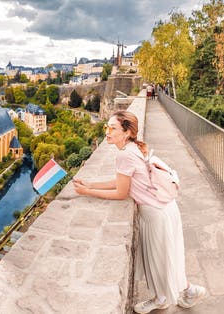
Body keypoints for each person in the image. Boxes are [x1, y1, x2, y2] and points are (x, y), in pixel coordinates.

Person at [72, 110, 206, 314]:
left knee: (160, 260)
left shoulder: (124, 155)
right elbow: (122, 182)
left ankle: (168, 297)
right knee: (168, 258)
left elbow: (121, 192)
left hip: (156, 214)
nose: (107, 131)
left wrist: (88, 191)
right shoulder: (134, 147)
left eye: (112, 128)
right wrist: (90, 183)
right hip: (165, 209)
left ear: (126, 132)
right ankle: (186, 292)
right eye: (106, 126)